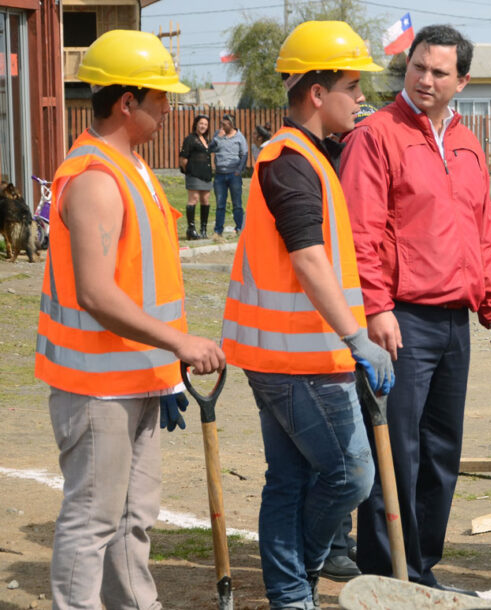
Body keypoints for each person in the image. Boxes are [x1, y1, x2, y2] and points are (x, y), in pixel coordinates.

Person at [35, 30, 225, 608]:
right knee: (93, 522)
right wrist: (179, 344)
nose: (171, 109)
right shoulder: (95, 177)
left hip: (139, 377)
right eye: (161, 97)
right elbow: (96, 292)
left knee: (132, 519)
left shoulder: (132, 165)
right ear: (126, 102)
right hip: (98, 388)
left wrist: (165, 368)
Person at [219, 21, 393, 608]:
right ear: (317, 92)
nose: (362, 97)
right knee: (350, 475)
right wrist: (355, 336)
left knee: (290, 480)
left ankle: (290, 596)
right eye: (352, 85)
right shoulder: (290, 160)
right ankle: (297, 583)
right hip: (299, 357)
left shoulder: (311, 155)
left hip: (292, 352)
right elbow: (308, 257)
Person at [340, 24, 491, 590]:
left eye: (440, 72)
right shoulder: (376, 135)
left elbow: (481, 232)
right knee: (397, 450)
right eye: (418, 67)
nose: (425, 79)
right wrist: (376, 308)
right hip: (401, 318)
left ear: (461, 82)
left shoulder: (467, 144)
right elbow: (359, 232)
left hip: (455, 322)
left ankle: (423, 569)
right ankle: (389, 567)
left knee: (442, 452)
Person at [320, 101, 377, 584]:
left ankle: (345, 540)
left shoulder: (356, 163)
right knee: (341, 446)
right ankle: (335, 544)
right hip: (330, 330)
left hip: (362, 322)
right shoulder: (325, 165)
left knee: (359, 439)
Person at [179, 114, 217, 239]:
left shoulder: (206, 140)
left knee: (205, 200)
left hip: (205, 175)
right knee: (193, 199)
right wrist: (188, 171)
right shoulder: (190, 139)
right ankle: (191, 230)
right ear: (196, 124)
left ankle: (204, 230)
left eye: (205, 124)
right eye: (201, 123)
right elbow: (183, 158)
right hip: (193, 174)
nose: (203, 126)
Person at [212, 112, 247, 238]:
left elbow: (244, 154)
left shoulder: (239, 137)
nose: (222, 126)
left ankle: (239, 228)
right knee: (220, 204)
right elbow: (210, 149)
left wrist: (239, 170)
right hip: (220, 175)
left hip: (234, 175)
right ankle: (218, 231)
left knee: (237, 203)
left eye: (225, 123)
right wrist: (218, 138)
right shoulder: (218, 134)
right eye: (221, 123)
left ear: (231, 124)